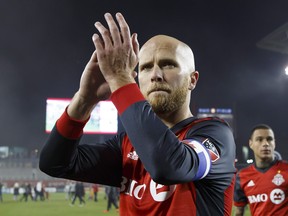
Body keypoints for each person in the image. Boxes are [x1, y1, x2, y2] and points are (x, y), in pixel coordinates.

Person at [39, 12, 236, 215]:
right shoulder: (127, 145)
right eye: (146, 67)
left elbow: (168, 166)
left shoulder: (215, 135)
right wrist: (84, 100)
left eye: (168, 64)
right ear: (138, 78)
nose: (156, 75)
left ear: (192, 80)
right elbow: (54, 163)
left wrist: (120, 78)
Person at [234, 124, 288, 216]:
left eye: (269, 139)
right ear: (251, 143)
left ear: (274, 143)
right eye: (259, 139)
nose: (265, 143)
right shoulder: (242, 176)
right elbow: (239, 211)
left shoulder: (286, 170)